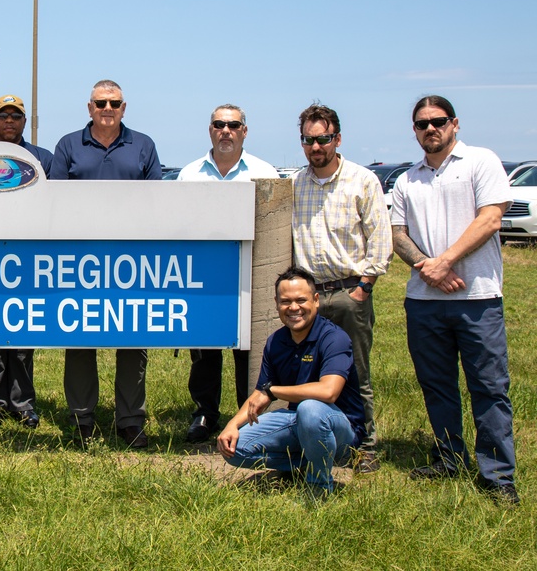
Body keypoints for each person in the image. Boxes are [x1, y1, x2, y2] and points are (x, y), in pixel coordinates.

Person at [391, 95, 518, 505]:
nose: (431, 128)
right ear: (414, 130)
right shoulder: (407, 179)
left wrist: (444, 262)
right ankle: (450, 458)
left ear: (455, 124)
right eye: (422, 123)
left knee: (488, 385)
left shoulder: (481, 162)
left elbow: (491, 218)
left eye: (438, 121)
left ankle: (497, 476)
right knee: (437, 386)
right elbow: (397, 233)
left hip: (478, 297)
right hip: (424, 301)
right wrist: (428, 266)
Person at [49, 79, 161, 448]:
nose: (107, 109)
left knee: (133, 340)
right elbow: (56, 203)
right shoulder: (68, 145)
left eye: (114, 103)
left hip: (132, 262)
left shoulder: (144, 145)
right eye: (101, 103)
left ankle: (130, 420)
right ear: (89, 107)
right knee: (79, 339)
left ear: (124, 107)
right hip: (79, 261)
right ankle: (82, 420)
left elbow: (156, 202)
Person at [291, 104, 392, 473]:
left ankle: (365, 446)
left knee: (355, 372)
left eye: (323, 139)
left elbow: (380, 239)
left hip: (350, 293)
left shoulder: (363, 181)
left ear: (337, 139)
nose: (316, 146)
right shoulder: (296, 184)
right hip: (309, 297)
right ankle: (318, 441)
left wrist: (364, 287)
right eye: (308, 140)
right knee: (309, 372)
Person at [176, 104, 279, 444]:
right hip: (203, 279)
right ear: (210, 129)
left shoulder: (264, 173)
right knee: (205, 351)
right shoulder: (190, 174)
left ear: (244, 131)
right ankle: (205, 413)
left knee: (248, 352)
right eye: (219, 124)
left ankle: (248, 416)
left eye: (233, 125)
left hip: (249, 276)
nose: (226, 131)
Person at [216, 267, 365, 498]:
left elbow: (328, 392)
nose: (293, 308)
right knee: (234, 449)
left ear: (316, 301)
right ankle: (303, 464)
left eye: (301, 300)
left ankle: (319, 487)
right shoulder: (276, 341)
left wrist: (274, 391)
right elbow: (260, 394)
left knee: (311, 409)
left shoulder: (334, 338)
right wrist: (232, 425)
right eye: (285, 301)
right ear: (276, 303)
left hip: (341, 429)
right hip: (298, 422)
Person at [0, 95, 52, 431]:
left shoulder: (43, 158)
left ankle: (23, 404)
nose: (9, 120)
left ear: (25, 121)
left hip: (28, 257)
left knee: (22, 339)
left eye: (16, 116)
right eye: (3, 115)